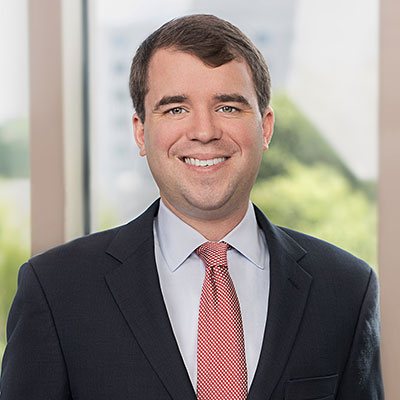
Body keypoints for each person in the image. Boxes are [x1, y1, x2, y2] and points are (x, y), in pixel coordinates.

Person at [0, 14, 384, 400]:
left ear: (265, 127)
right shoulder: (55, 290)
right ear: (140, 131)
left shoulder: (346, 290)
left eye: (229, 108)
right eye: (176, 109)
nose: (204, 131)